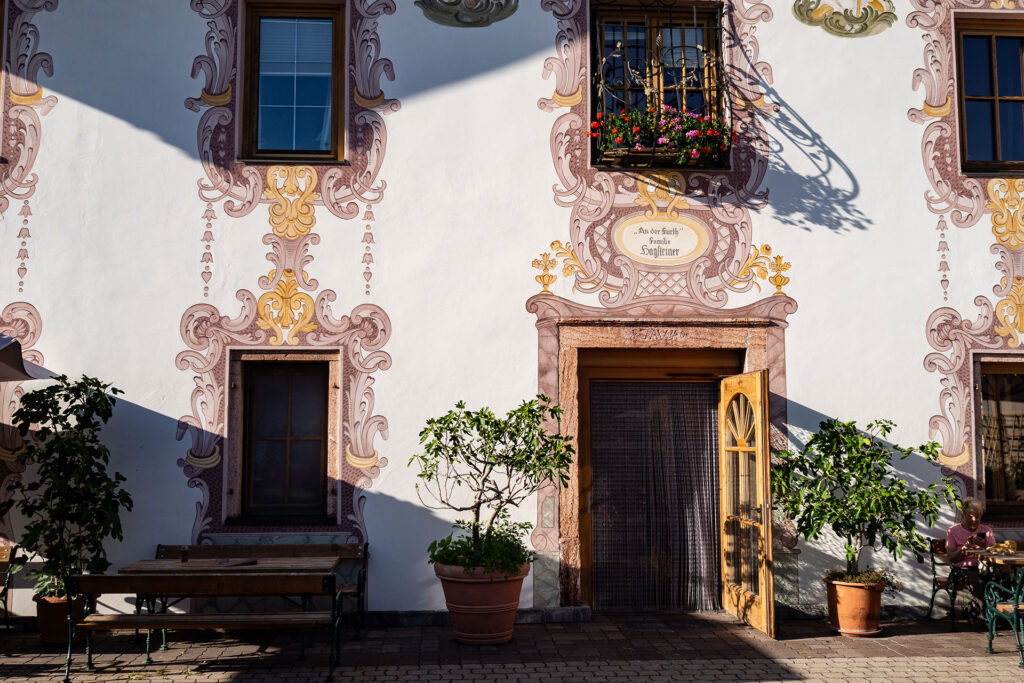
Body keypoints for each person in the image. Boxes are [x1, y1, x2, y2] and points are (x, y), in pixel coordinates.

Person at [945, 497, 996, 621]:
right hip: (963, 570)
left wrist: (985, 546)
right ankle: (985, 617)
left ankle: (998, 614)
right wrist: (965, 548)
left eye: (977, 517)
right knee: (979, 583)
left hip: (985, 568)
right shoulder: (953, 531)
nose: (974, 520)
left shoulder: (986, 531)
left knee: (1001, 582)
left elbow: (995, 553)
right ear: (963, 514)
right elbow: (951, 558)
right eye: (970, 516)